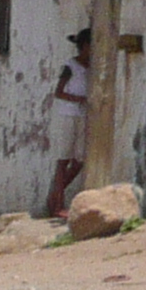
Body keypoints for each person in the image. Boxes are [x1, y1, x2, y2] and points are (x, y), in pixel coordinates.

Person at [43, 28, 93, 218]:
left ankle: (55, 194)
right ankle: (57, 204)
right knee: (64, 159)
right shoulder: (71, 66)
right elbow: (59, 92)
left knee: (80, 160)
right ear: (85, 46)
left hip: (82, 116)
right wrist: (78, 99)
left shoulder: (91, 66)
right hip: (68, 114)